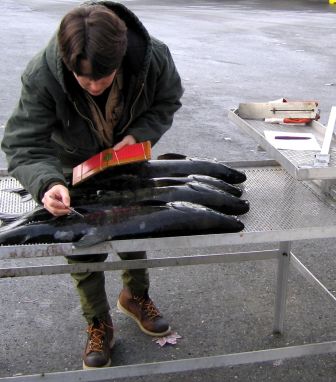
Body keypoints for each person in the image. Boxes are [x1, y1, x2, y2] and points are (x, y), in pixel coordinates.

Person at [1, 1, 183, 369]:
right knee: (83, 243)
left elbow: (167, 101)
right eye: (85, 80)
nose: (96, 86)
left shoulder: (154, 58)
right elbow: (22, 143)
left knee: (136, 225)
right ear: (69, 64)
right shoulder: (42, 74)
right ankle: (98, 321)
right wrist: (47, 182)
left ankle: (136, 296)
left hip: (128, 157)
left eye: (105, 76)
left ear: (121, 56)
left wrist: (139, 135)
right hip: (71, 166)